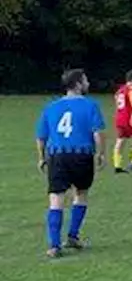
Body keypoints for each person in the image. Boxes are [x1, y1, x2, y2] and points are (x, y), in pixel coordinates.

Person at [36, 69, 107, 258]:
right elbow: (98, 133)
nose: (88, 84)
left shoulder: (51, 107)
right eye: (85, 80)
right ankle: (73, 236)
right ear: (77, 84)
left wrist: (41, 157)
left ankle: (54, 245)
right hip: (81, 155)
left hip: (57, 155)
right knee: (81, 193)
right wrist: (101, 154)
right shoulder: (91, 105)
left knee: (56, 198)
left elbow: (41, 136)